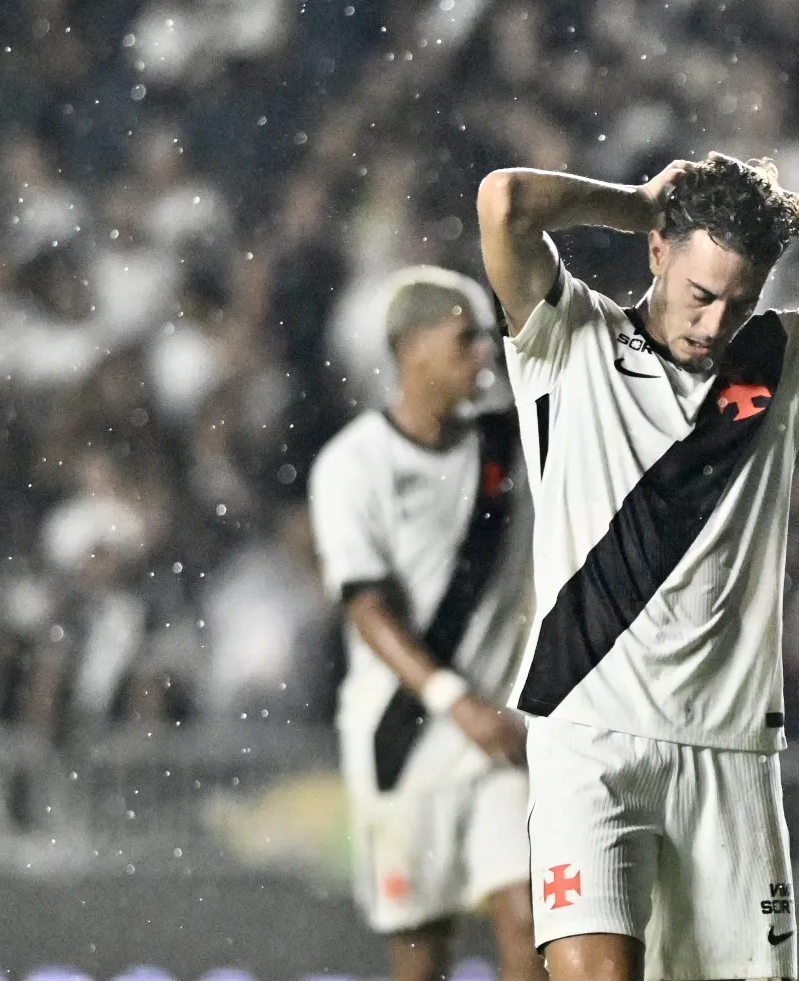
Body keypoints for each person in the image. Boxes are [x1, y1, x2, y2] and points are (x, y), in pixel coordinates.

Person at [477, 153, 799, 981]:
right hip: (588, 731)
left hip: (729, 752)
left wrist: (796, 214)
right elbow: (505, 200)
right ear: (658, 254)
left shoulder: (783, 360)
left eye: (739, 302)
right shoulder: (569, 338)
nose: (713, 323)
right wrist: (635, 204)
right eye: (701, 295)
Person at [307, 266, 546, 981]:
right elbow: (368, 607)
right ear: (410, 347)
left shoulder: (512, 446)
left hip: (504, 731)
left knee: (530, 915)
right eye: (464, 337)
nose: (483, 352)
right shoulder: (354, 464)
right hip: (405, 732)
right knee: (420, 948)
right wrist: (454, 701)